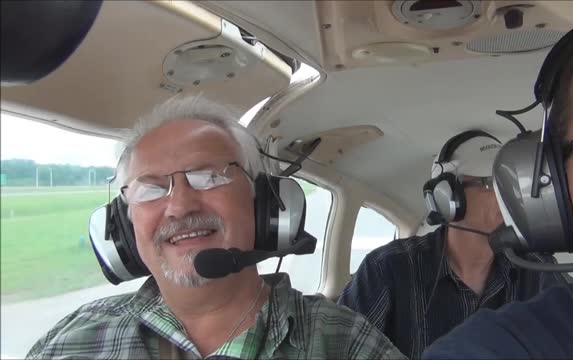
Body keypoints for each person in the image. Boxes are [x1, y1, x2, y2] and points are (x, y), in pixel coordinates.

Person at [26, 95, 407, 360]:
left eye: (208, 177)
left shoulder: (344, 343)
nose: (179, 206)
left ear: (267, 207)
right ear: (122, 230)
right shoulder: (74, 339)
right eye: (151, 188)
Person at [423, 1, 573, 358]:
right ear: (554, 187)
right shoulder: (485, 347)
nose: (503, 197)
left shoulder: (541, 270)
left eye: (499, 183)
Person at [338, 130, 565, 358]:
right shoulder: (387, 269)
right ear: (447, 197)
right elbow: (338, 349)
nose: (507, 192)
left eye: (508, 180)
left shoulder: (536, 270)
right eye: (489, 183)